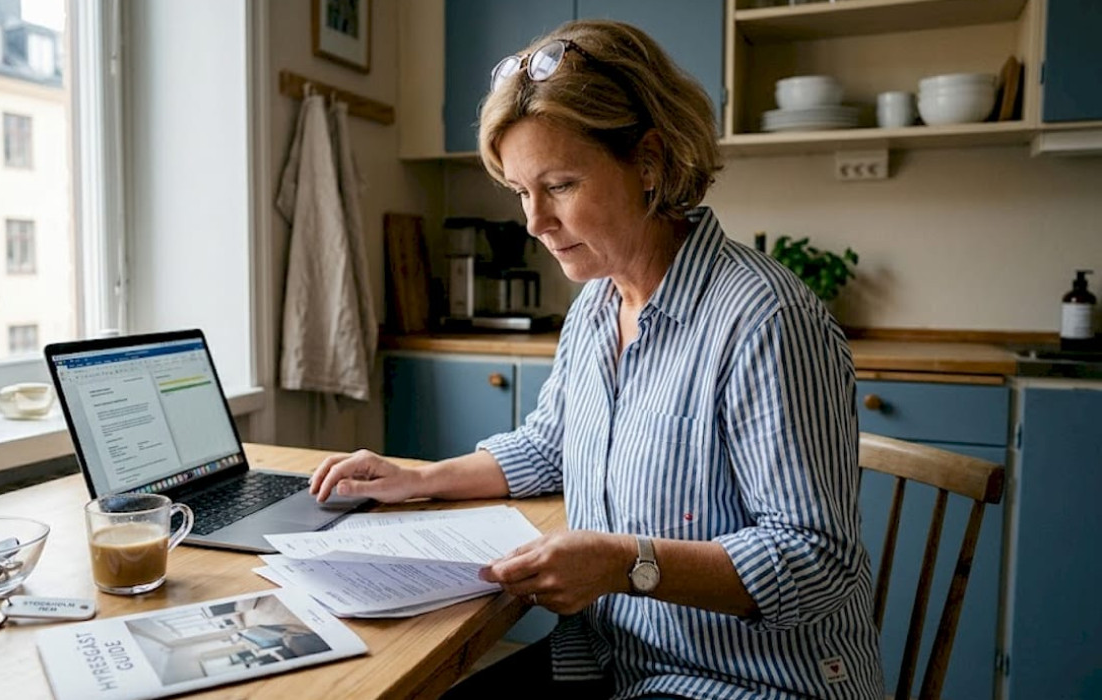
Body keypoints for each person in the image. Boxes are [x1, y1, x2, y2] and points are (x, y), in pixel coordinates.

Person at [310, 18, 884, 700]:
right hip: (619, 658)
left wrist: (625, 564)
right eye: (521, 192)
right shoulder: (596, 306)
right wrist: (418, 478)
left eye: (559, 186)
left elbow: (817, 560)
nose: (534, 223)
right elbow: (550, 446)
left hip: (753, 682)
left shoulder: (765, 320)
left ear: (650, 161)